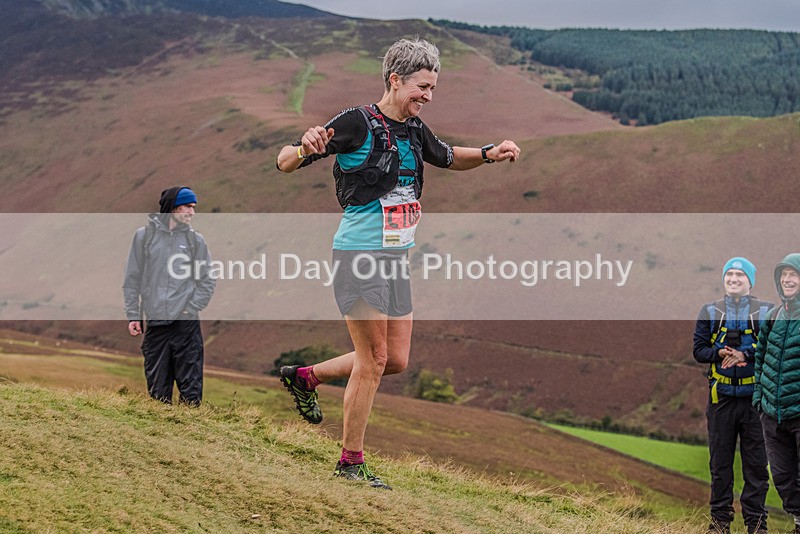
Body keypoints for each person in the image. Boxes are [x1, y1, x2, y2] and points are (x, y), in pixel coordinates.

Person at [275, 37, 520, 489]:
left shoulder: (414, 129)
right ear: (395, 80)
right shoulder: (356, 123)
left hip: (395, 262)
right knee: (374, 359)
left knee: (397, 360)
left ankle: (307, 377)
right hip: (359, 257)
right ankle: (350, 462)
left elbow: (447, 156)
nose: (427, 96)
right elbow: (285, 160)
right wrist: (306, 147)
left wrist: (487, 154)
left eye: (432, 90)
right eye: (421, 87)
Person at [693, 257, 772, 534]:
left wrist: (745, 354)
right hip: (721, 400)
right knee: (720, 465)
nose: (734, 279)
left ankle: (757, 524)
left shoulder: (766, 312)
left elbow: (773, 348)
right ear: (724, 279)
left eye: (740, 275)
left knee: (757, 467)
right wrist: (719, 353)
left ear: (750, 281)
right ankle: (719, 524)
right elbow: (698, 350)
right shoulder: (710, 311)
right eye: (730, 274)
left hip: (755, 402)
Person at [123, 186, 216, 406]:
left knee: (191, 395)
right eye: (187, 206)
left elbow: (207, 280)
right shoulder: (144, 237)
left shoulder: (195, 241)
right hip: (156, 325)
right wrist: (133, 315)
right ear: (172, 207)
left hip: (186, 325)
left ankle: (191, 437)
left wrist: (189, 308)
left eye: (194, 207)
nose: (192, 213)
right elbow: (132, 279)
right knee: (157, 395)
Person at [753, 253, 800, 534]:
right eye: (783, 276)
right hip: (771, 412)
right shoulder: (773, 315)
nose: (787, 280)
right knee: (782, 476)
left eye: (793, 275)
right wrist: (759, 396)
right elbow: (760, 356)